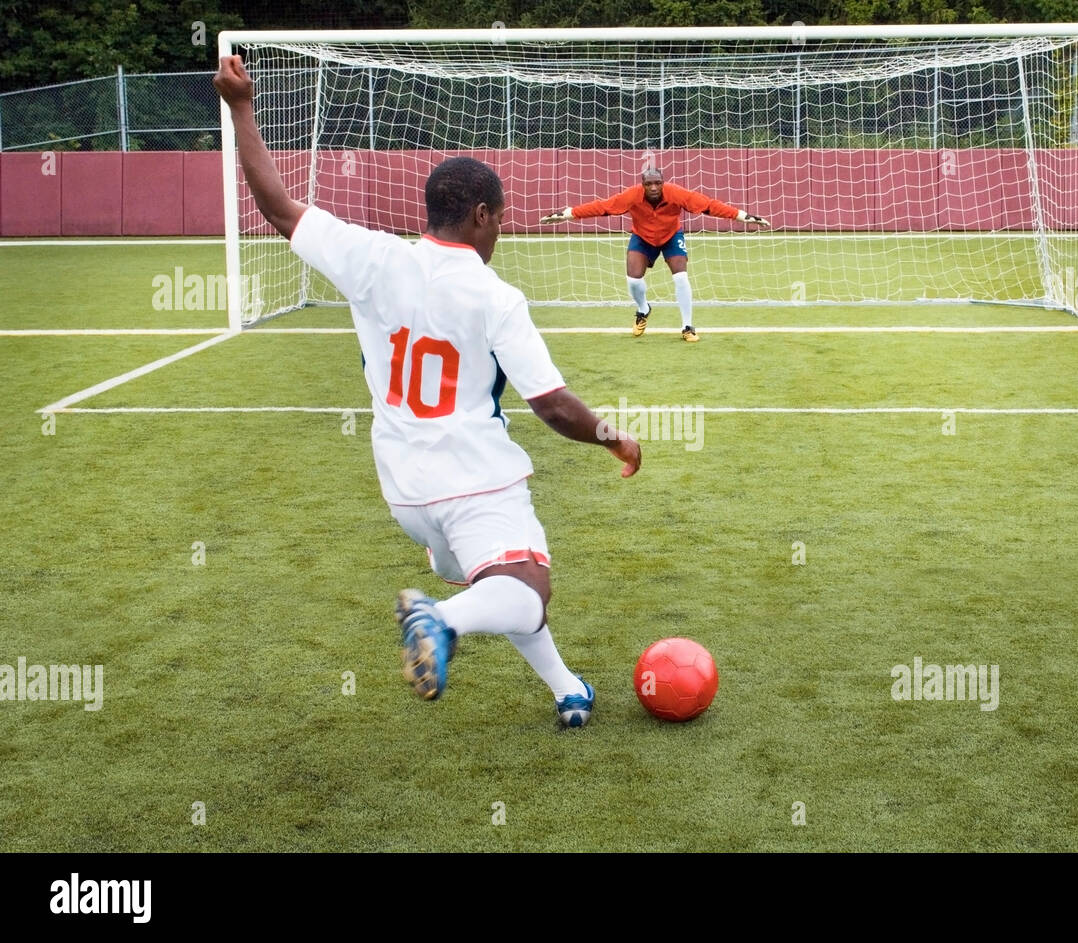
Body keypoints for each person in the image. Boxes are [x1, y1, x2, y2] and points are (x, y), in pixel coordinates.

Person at [213, 55, 640, 728]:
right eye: (498, 218)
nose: (501, 230)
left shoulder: (373, 257)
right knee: (528, 590)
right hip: (473, 480)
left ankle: (567, 688)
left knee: (500, 579)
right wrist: (615, 436)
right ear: (477, 214)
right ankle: (436, 619)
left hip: (405, 492)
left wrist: (241, 107)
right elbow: (552, 406)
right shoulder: (496, 296)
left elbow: (276, 205)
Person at [541, 168, 770, 342]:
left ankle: (687, 326)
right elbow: (602, 206)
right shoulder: (631, 196)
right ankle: (643, 309)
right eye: (649, 184)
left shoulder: (676, 194)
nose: (653, 187)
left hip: (671, 236)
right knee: (633, 278)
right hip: (642, 237)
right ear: (642, 185)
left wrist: (744, 217)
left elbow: (709, 205)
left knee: (681, 276)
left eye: (657, 183)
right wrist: (567, 214)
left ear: (663, 183)